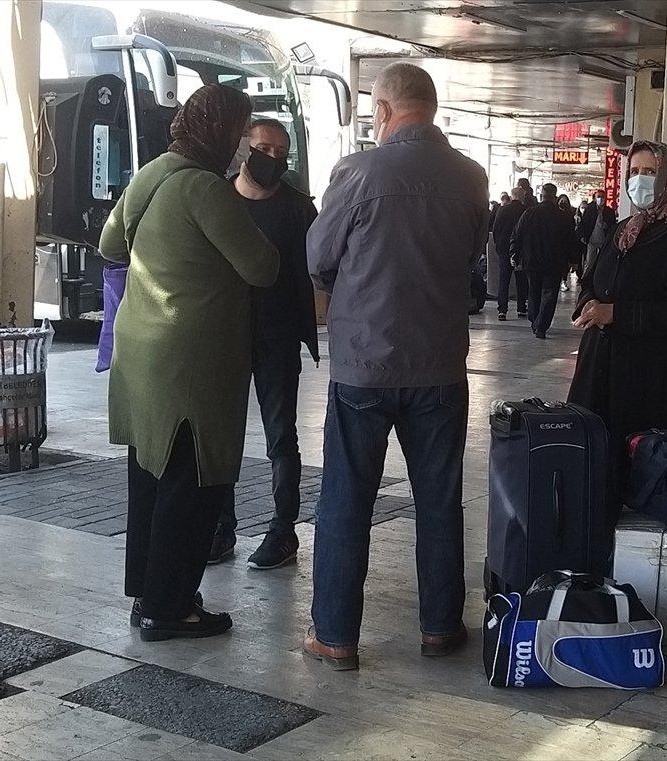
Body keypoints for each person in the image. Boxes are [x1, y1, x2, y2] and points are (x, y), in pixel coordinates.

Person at [305, 62, 488, 670]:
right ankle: (440, 627)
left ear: (382, 110)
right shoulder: (471, 177)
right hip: (440, 367)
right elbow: (471, 256)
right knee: (439, 500)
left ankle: (336, 636)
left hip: (364, 366)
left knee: (346, 500)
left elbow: (318, 256)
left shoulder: (358, 172)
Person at [98, 85, 278, 641]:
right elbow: (262, 267)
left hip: (140, 349)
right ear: (219, 130)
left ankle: (148, 595)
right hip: (191, 357)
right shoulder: (205, 188)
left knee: (151, 475)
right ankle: (170, 608)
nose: (242, 147)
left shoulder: (153, 172)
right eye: (240, 134)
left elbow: (109, 245)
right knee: (192, 481)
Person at [207, 118, 320, 570]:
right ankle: (221, 528)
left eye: (280, 153)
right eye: (264, 149)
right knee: (221, 437)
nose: (272, 159)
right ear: (244, 149)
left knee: (281, 436)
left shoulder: (299, 209)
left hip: (278, 338)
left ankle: (282, 530)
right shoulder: (217, 200)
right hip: (225, 337)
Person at [567, 141, 667, 519]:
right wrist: (588, 304)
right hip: (598, 365)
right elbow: (591, 280)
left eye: (650, 172)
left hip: (642, 375)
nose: (640, 180)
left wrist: (617, 314)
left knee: (630, 466)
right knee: (590, 457)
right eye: (635, 172)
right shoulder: (622, 230)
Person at [510, 183, 578, 340]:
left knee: (533, 292)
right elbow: (571, 241)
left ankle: (535, 320)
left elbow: (517, 235)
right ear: (555, 197)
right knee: (549, 294)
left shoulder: (529, 213)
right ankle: (541, 325)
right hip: (554, 262)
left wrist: (514, 254)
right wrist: (574, 260)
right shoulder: (563, 217)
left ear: (542, 196)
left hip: (532, 261)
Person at [492, 187, 529, 321]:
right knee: (521, 280)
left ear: (512, 196)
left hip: (504, 249)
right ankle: (521, 307)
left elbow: (495, 228)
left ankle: (502, 310)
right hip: (521, 250)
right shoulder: (526, 211)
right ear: (522, 196)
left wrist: (499, 244)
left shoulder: (503, 210)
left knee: (504, 280)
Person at [578, 189, 617, 274]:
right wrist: (582, 236)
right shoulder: (589, 210)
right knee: (590, 262)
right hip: (591, 239)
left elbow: (613, 226)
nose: (601, 199)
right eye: (598, 197)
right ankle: (586, 278)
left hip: (604, 240)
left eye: (602, 197)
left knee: (603, 262)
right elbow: (583, 223)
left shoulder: (609, 212)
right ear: (595, 198)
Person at [556, 194, 576, 291]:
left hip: (565, 243)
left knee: (564, 263)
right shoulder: (554, 214)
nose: (563, 203)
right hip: (556, 243)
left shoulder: (570, 215)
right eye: (561, 201)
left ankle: (564, 280)